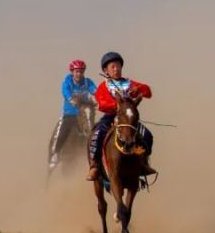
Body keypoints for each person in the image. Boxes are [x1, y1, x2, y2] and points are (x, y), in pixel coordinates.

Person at [86, 52, 157, 181]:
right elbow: (102, 104)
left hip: (128, 119)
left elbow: (148, 92)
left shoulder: (129, 83)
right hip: (111, 116)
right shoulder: (104, 86)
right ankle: (94, 166)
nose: (116, 69)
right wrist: (118, 106)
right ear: (106, 70)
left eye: (118, 66)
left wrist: (138, 89)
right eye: (112, 67)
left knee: (147, 135)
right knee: (97, 135)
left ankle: (143, 163)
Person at [48, 59, 97, 170]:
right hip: (70, 114)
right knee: (62, 131)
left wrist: (99, 98)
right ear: (72, 72)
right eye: (76, 71)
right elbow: (65, 92)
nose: (79, 74)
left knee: (95, 131)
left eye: (81, 71)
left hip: (84, 114)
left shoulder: (87, 82)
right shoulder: (67, 81)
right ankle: (56, 154)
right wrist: (71, 99)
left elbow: (95, 91)